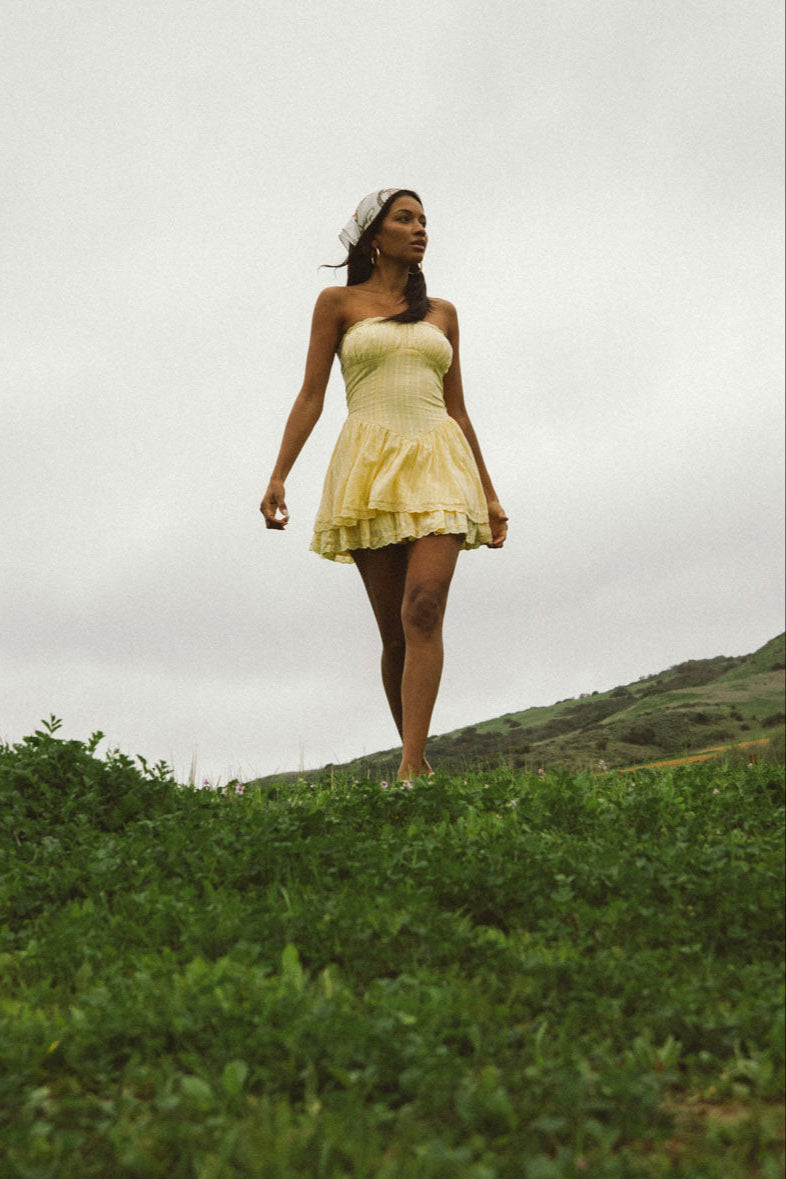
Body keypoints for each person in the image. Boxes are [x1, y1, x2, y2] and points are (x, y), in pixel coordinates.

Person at [260, 188, 508, 781]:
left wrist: (490, 493)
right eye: (405, 219)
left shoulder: (442, 313)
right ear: (374, 235)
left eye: (424, 220)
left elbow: (458, 410)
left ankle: (407, 769)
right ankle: (420, 767)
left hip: (440, 462)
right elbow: (312, 395)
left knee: (424, 607)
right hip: (369, 468)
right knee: (395, 635)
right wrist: (279, 475)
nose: (420, 229)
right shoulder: (338, 303)